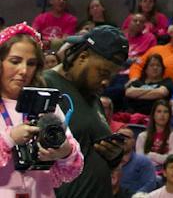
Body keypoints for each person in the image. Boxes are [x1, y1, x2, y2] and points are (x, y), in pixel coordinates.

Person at [43, 25, 133, 198]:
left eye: (112, 76)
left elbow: (91, 151)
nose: (106, 82)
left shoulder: (93, 97)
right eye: (103, 72)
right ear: (82, 57)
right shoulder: (45, 85)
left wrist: (114, 155)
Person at [0, 23, 85, 198]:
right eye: (15, 61)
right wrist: (9, 139)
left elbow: (73, 166)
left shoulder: (47, 106)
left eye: (31, 63)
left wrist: (64, 152)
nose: (23, 71)